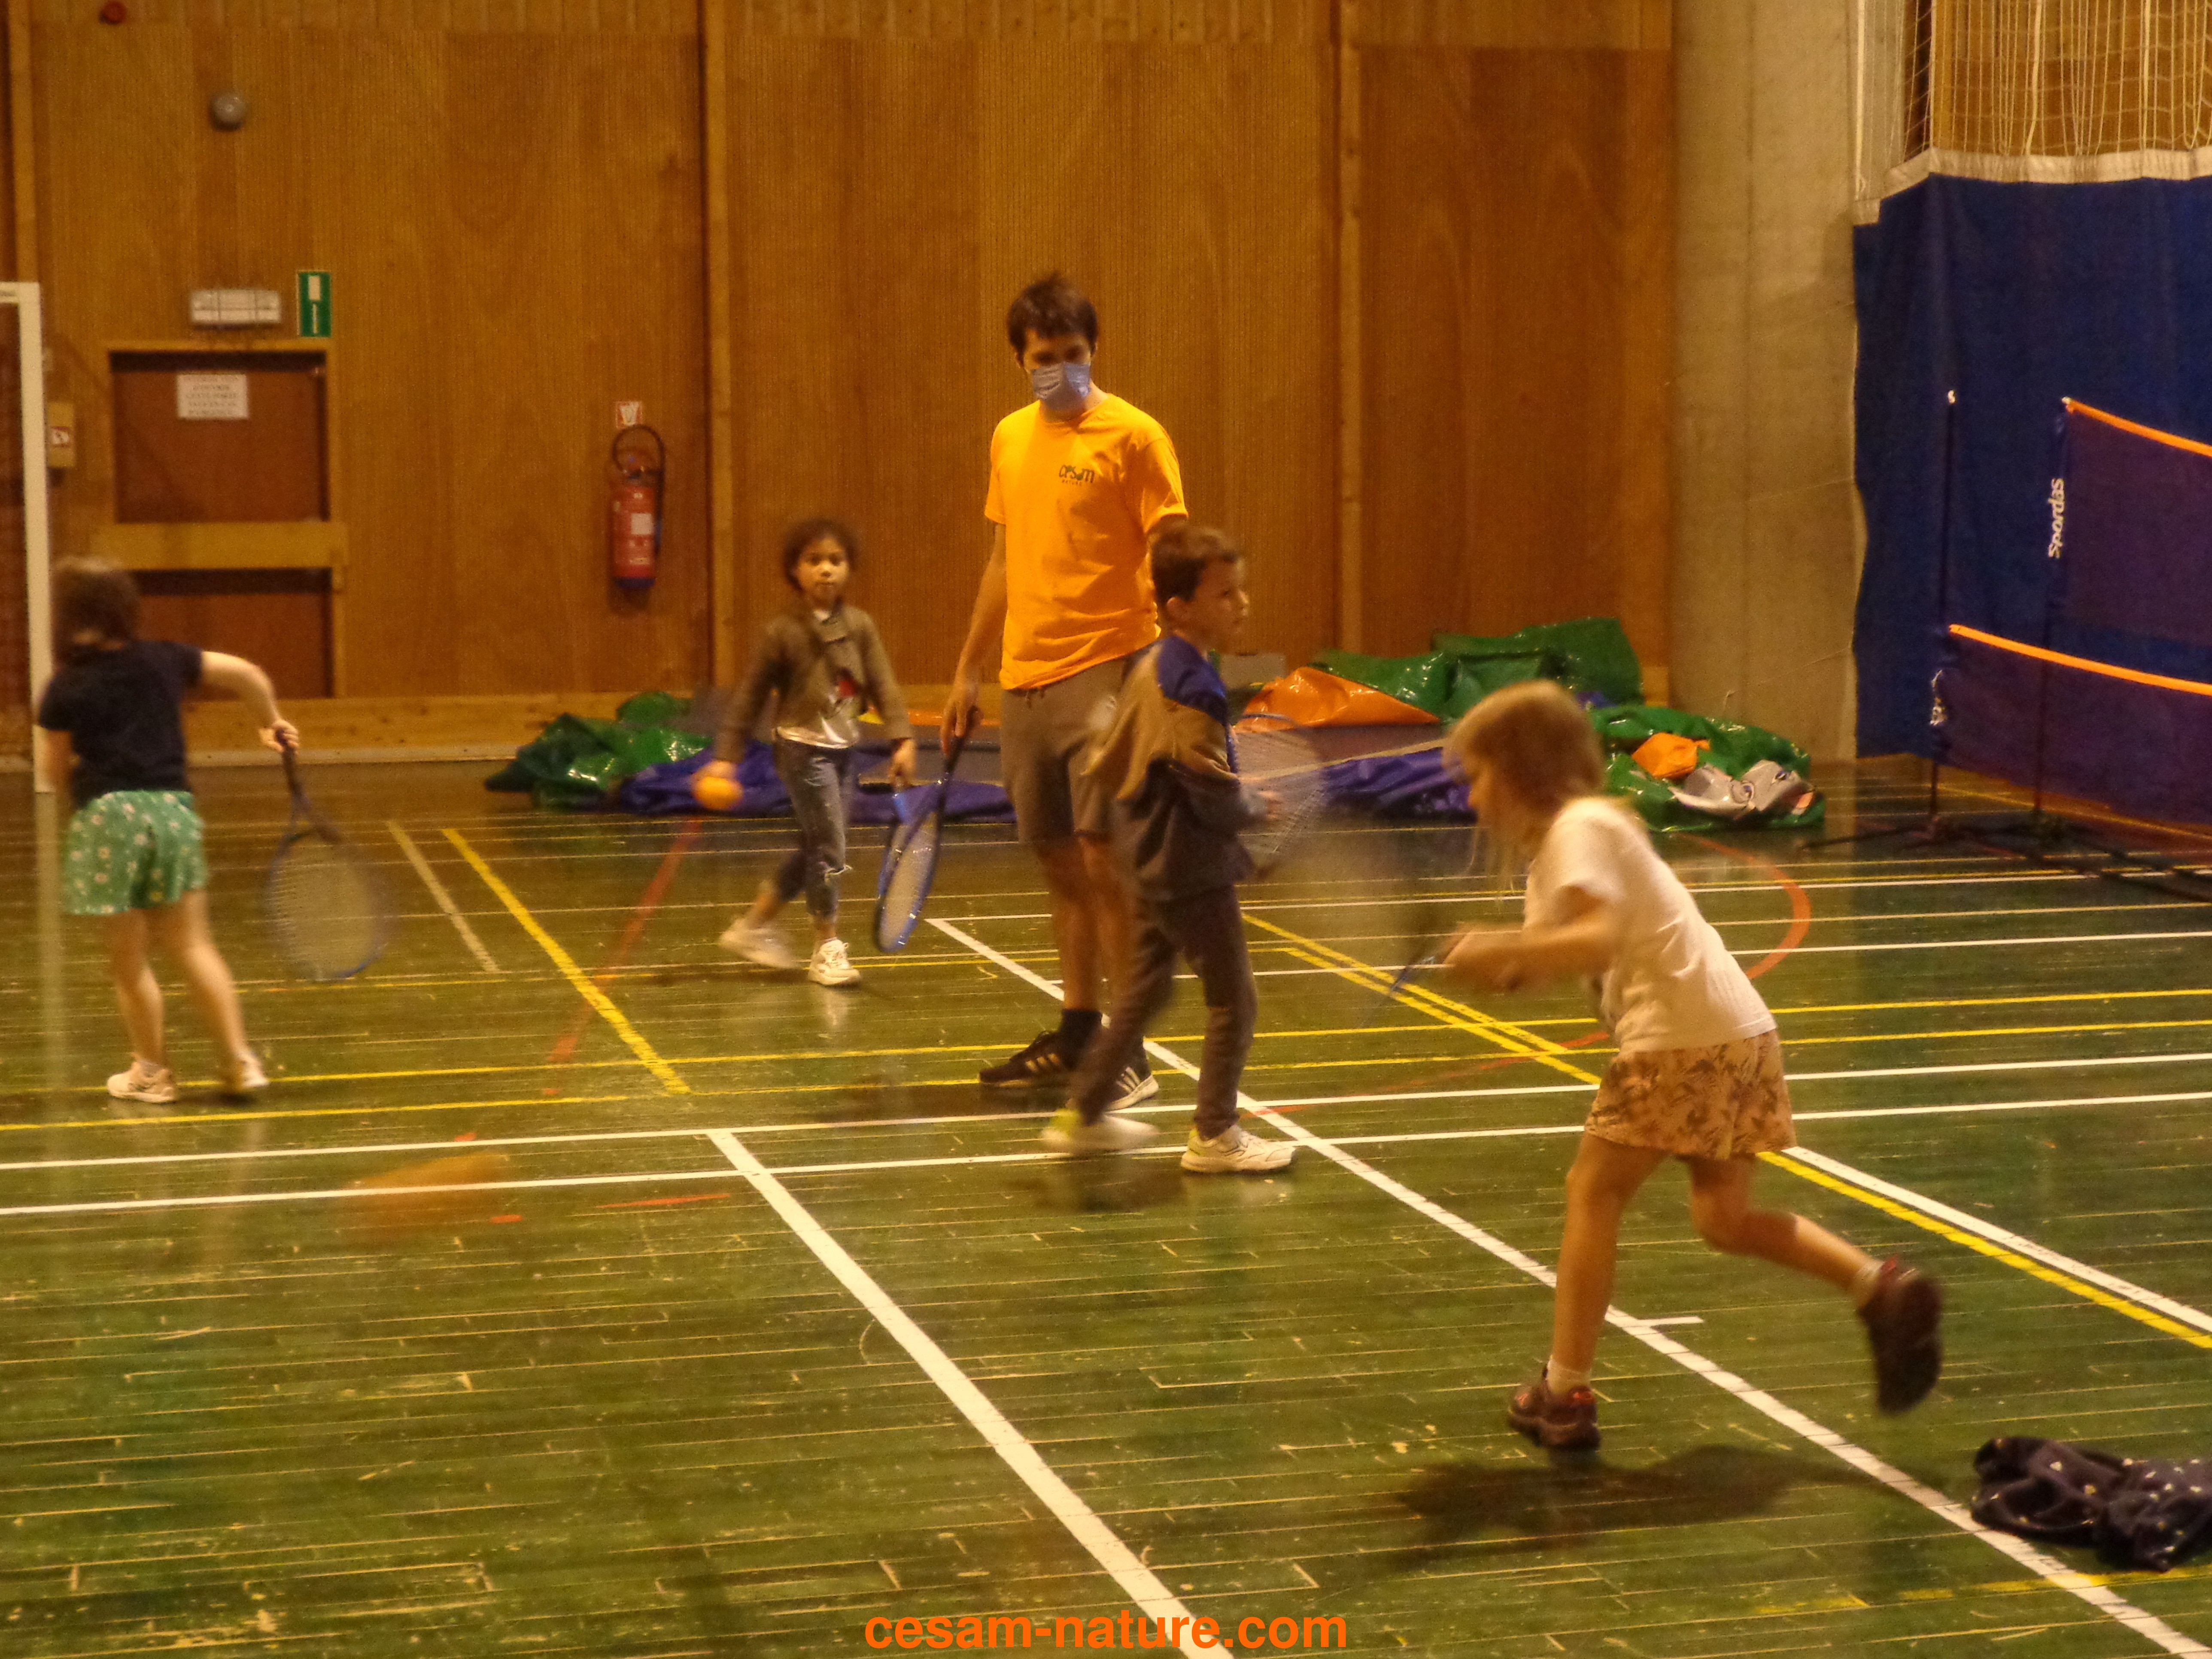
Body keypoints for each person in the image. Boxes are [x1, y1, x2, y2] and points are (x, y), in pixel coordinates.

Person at [1438, 680, 1942, 1450]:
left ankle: (1565, 1390)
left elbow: (1597, 937)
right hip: (1735, 1031)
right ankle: (1879, 1288)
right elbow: (1556, 954)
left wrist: (1502, 948)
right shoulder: (1571, 846)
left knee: (1594, 1191)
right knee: (1724, 1219)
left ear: (1518, 772)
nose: (1471, 796)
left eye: (1478, 776)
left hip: (1677, 1039)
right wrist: (1492, 964)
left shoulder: (1579, 827)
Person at [944, 274, 1186, 1103]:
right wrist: (968, 668)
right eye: (1044, 357)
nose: (1060, 370)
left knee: (1103, 859)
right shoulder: (1010, 437)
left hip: (1107, 666)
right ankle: (1080, 1027)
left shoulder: (1136, 436)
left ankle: (1129, 1051)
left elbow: (1172, 555)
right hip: (1025, 677)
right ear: (1020, 360)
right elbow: (1002, 561)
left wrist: (1171, 672)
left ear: (1095, 349)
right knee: (1058, 861)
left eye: (1074, 354)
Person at [1042, 525, 1294, 1173]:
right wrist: (1254, 807)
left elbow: (1116, 756)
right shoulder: (1194, 685)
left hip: (1143, 855)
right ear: (1179, 608)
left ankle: (1084, 1113)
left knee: (1145, 992)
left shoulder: (1154, 663)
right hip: (1188, 867)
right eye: (1224, 594)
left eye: (1241, 590)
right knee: (1234, 1002)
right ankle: (1215, 1134)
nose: (1241, 604)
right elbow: (1210, 794)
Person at [34, 557, 295, 1105]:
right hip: (173, 812)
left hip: (107, 819)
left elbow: (53, 771)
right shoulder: (167, 659)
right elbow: (246, 674)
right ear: (127, 607)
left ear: (65, 616)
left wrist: (78, 810)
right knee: (194, 945)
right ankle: (239, 1061)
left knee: (129, 963)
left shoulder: (65, 686)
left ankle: (152, 1073)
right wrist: (269, 722)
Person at [703, 518, 915, 987]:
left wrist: (902, 739)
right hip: (802, 751)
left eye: (836, 561)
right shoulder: (782, 631)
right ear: (794, 571)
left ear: (849, 569)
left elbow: (883, 684)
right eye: (814, 561)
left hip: (845, 752)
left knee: (814, 847)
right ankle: (827, 946)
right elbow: (749, 697)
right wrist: (726, 757)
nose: (826, 570)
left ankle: (753, 926)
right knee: (831, 847)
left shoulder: (860, 626)